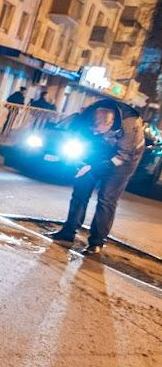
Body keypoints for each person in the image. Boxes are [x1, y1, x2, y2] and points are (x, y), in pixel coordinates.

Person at [49, 101, 145, 255]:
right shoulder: (87, 116)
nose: (94, 133)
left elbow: (122, 157)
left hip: (124, 160)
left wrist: (92, 167)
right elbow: (76, 138)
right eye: (92, 129)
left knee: (106, 199)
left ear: (111, 124)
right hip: (97, 153)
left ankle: (96, 242)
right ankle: (68, 233)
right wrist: (80, 163)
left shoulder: (130, 125)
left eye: (98, 130)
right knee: (80, 192)